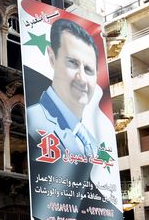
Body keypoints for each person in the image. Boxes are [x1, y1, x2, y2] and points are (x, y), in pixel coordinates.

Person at [27, 17, 101, 158]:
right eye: (72, 63)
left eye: (89, 70)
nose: (82, 79)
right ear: (52, 58)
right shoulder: (33, 121)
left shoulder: (94, 144)